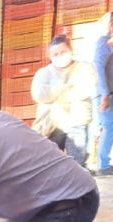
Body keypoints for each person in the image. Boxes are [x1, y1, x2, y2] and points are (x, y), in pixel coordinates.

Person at [31, 35, 96, 168]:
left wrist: (55, 95)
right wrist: (65, 87)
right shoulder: (44, 73)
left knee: (77, 166)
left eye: (63, 52)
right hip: (52, 125)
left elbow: (86, 91)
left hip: (78, 123)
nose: (60, 56)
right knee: (48, 165)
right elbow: (40, 95)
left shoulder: (85, 68)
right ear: (50, 56)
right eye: (55, 54)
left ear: (70, 50)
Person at [94, 12, 113, 176]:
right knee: (108, 127)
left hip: (110, 93)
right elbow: (99, 68)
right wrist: (105, 94)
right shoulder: (104, 42)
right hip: (104, 95)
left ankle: (105, 164)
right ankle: (103, 165)